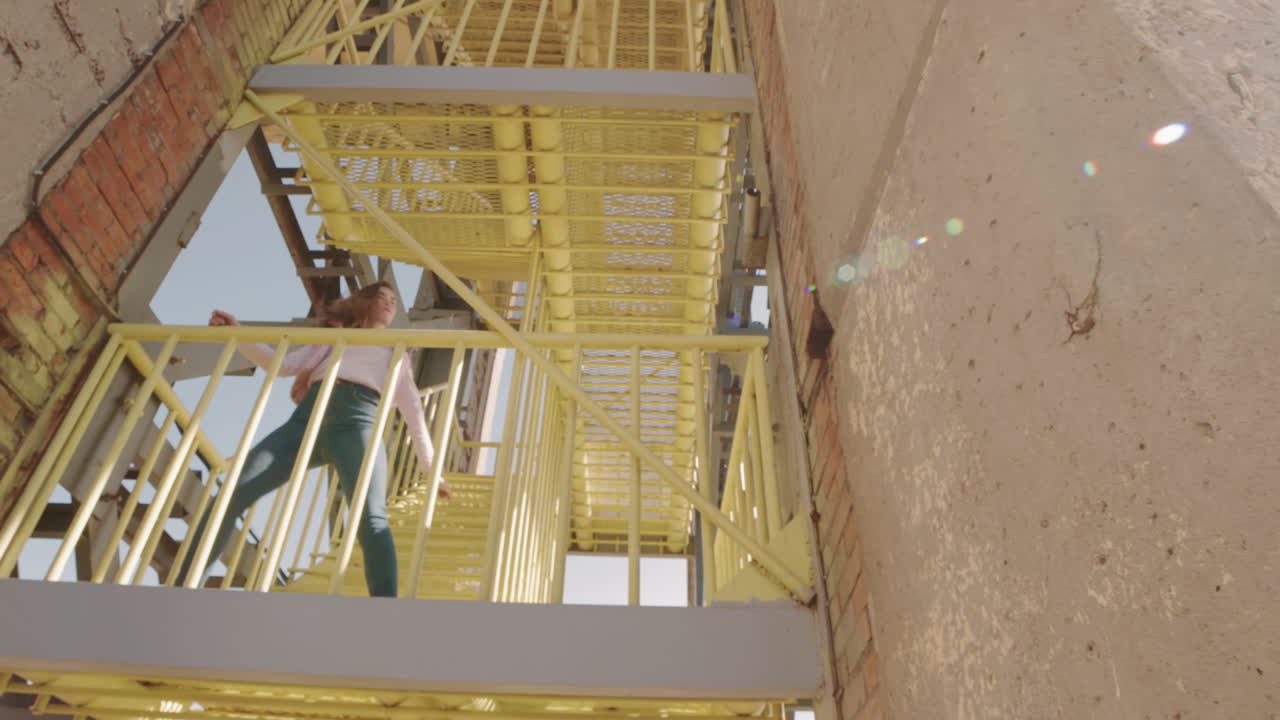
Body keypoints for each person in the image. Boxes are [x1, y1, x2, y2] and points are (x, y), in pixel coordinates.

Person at [179, 282, 449, 597]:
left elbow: (413, 410)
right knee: (232, 493)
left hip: (358, 425)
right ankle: (183, 586)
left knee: (371, 518)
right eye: (382, 297)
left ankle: (385, 606)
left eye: (393, 300)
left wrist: (431, 469)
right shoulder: (334, 335)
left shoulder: (396, 350)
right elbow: (282, 364)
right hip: (306, 422)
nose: (390, 304)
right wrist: (238, 333)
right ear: (362, 301)